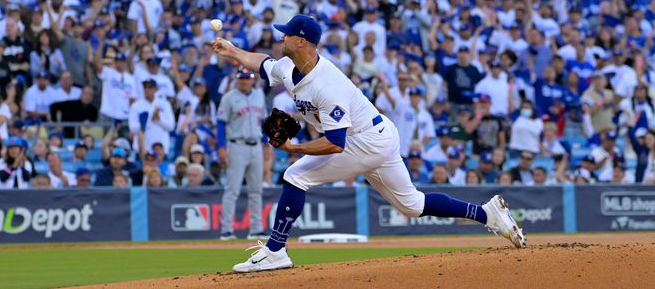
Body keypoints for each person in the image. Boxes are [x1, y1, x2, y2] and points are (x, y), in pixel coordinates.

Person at [212, 15, 525, 272]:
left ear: (302, 41)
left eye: (286, 35)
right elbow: (263, 64)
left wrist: (294, 150)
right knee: (412, 205)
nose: (281, 38)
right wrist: (232, 51)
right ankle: (487, 213)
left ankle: (276, 250)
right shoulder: (287, 67)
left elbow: (336, 143)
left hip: (365, 141)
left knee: (296, 175)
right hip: (379, 135)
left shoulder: (327, 84)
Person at [217, 67, 268, 241]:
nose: (245, 81)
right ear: (237, 79)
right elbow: (221, 124)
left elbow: (263, 122)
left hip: (256, 146)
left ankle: (256, 229)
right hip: (236, 145)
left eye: (248, 78)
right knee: (232, 190)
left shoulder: (259, 95)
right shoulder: (228, 98)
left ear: (252, 79)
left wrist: (266, 144)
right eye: (242, 78)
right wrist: (221, 147)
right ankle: (226, 230)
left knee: (256, 190)